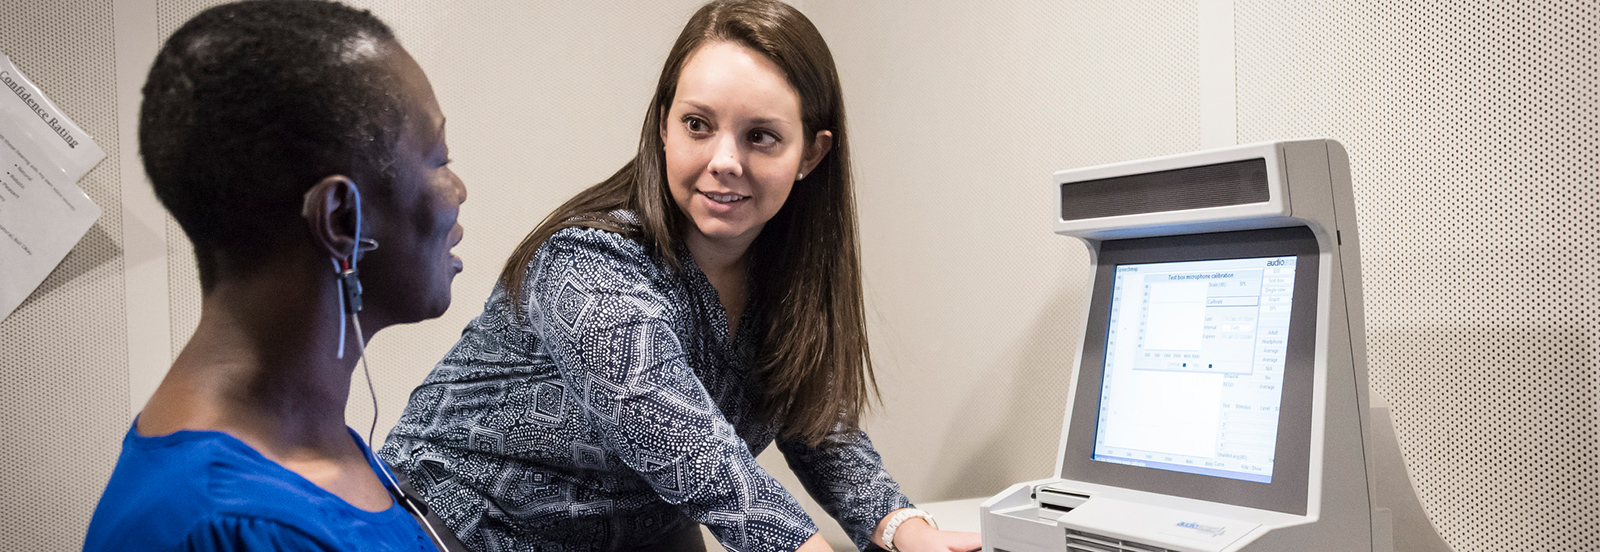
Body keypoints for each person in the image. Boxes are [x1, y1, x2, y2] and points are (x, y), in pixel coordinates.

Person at [380, 2, 981, 552]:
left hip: (635, 534)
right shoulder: (589, 260)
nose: (725, 160)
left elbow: (816, 423)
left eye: (762, 136)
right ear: (664, 126)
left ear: (812, 155)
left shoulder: (786, 276)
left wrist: (904, 527)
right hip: (457, 523)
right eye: (698, 125)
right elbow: (678, 438)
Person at [83, 1, 468, 550]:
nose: (458, 191)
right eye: (437, 158)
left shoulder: (311, 447)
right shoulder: (227, 526)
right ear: (341, 219)